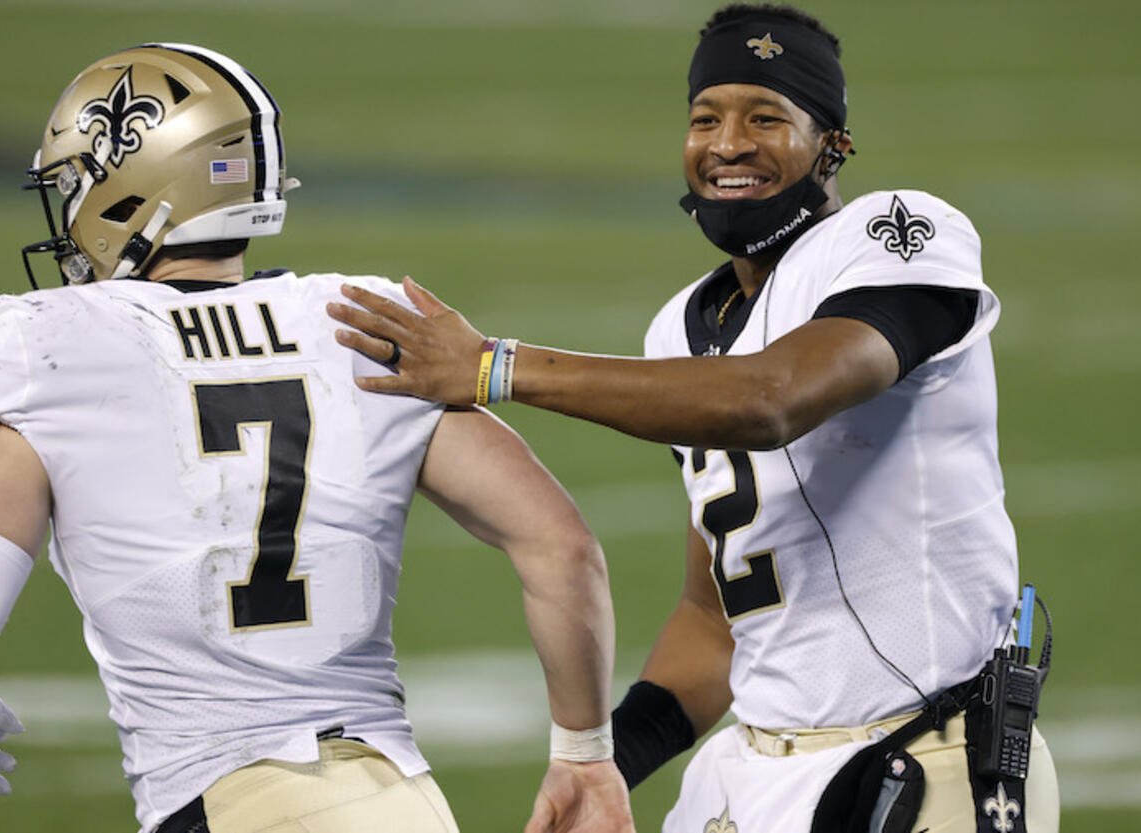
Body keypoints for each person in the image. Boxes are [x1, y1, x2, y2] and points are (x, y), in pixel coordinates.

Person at [324, 4, 1061, 832]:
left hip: (924, 756)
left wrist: (496, 367)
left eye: (766, 117)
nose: (728, 143)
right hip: (758, 770)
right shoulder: (680, 328)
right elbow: (714, 624)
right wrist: (602, 760)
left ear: (833, 145)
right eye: (705, 118)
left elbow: (772, 398)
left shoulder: (898, 235)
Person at [0, 43, 635, 833]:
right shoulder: (363, 323)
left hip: (226, 801)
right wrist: (586, 753)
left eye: (79, 182)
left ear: (134, 182)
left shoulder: (48, 341)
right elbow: (563, 547)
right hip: (404, 803)